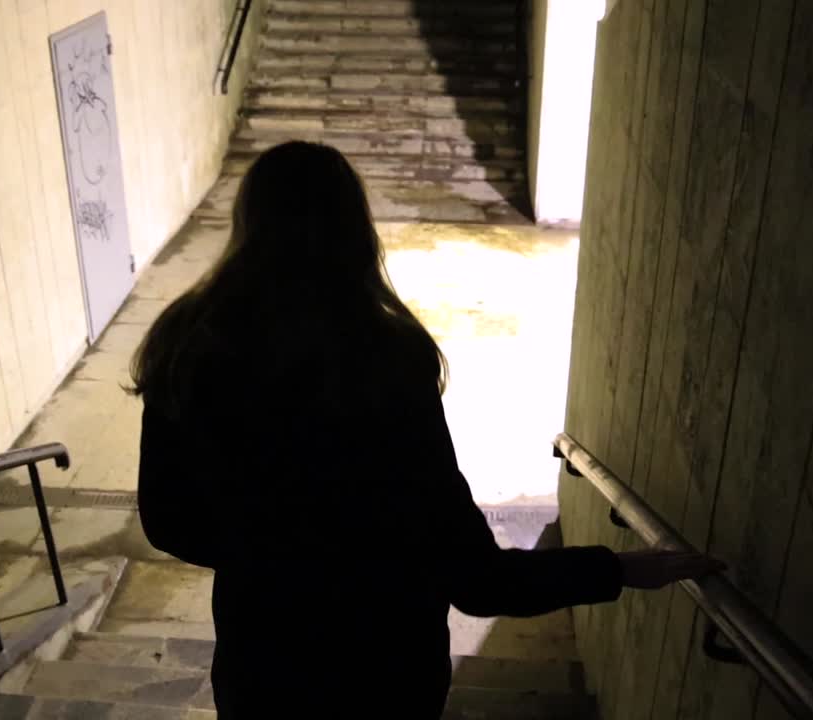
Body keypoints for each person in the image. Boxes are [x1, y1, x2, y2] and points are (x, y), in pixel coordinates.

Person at [131, 141, 722, 718]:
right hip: (389, 671)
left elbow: (168, 522)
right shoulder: (385, 359)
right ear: (355, 231)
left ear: (247, 222)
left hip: (265, 667)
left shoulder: (187, 349)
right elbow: (475, 578)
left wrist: (273, 554)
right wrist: (617, 569)